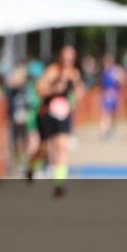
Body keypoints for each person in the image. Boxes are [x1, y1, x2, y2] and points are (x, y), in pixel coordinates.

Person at [27, 45, 84, 198]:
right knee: (45, 148)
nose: (67, 61)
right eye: (65, 58)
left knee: (62, 146)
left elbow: (79, 92)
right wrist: (53, 89)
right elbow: (39, 88)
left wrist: (77, 95)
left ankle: (59, 184)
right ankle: (31, 166)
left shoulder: (74, 73)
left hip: (63, 114)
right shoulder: (52, 71)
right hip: (47, 114)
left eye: (70, 58)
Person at [98, 53, 123, 140]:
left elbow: (120, 82)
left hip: (114, 95)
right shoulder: (104, 72)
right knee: (106, 114)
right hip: (107, 95)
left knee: (113, 115)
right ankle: (105, 131)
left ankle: (110, 131)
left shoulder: (115, 71)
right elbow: (102, 86)